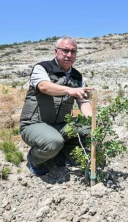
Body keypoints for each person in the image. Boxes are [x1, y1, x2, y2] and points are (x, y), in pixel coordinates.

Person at [19, 36, 93, 176]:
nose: (69, 55)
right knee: (53, 142)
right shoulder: (42, 68)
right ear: (56, 51)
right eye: (65, 51)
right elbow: (44, 86)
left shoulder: (78, 77)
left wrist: (93, 122)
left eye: (73, 51)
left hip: (62, 125)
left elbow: (83, 102)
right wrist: (69, 90)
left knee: (90, 130)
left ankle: (61, 155)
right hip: (34, 124)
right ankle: (34, 159)